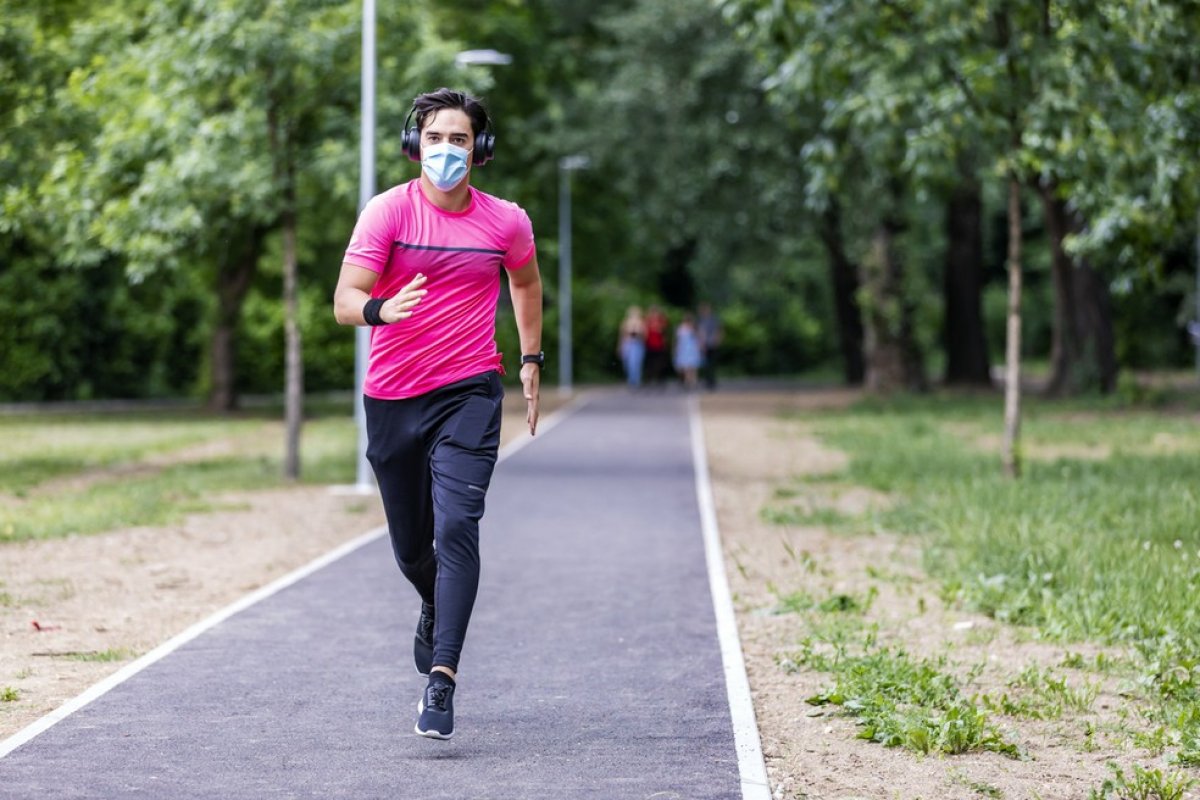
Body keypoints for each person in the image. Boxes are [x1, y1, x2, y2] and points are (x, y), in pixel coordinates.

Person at [333, 88, 543, 741]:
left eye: (459, 139)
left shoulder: (506, 221)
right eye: (434, 139)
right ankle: (433, 602)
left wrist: (531, 358)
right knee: (410, 549)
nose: (446, 151)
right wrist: (380, 311)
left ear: (478, 150)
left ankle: (442, 680)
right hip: (393, 396)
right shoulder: (387, 212)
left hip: (469, 392)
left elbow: (526, 283)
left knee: (457, 528)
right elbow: (345, 299)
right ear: (414, 145)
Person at [616, 305, 646, 388]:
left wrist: (637, 332)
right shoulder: (625, 323)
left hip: (637, 345)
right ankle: (631, 379)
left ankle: (635, 382)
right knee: (627, 364)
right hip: (628, 345)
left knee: (635, 364)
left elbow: (644, 336)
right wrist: (620, 347)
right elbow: (622, 336)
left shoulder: (641, 324)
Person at [643, 305, 671, 388]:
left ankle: (660, 379)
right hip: (649, 345)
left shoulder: (661, 320)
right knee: (650, 363)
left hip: (659, 345)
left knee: (660, 363)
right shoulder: (647, 320)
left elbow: (665, 330)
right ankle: (649, 380)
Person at [696, 302, 723, 390]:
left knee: (712, 363)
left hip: (712, 343)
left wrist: (718, 340)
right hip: (705, 344)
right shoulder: (701, 320)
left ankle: (712, 380)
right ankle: (708, 380)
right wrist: (700, 344)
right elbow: (699, 333)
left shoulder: (714, 320)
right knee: (706, 364)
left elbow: (719, 331)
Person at [673, 313, 703, 390]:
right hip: (684, 349)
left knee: (692, 367)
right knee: (685, 367)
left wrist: (700, 346)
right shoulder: (681, 329)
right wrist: (676, 348)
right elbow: (678, 340)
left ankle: (693, 382)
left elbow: (699, 338)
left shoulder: (695, 328)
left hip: (692, 349)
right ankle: (687, 382)